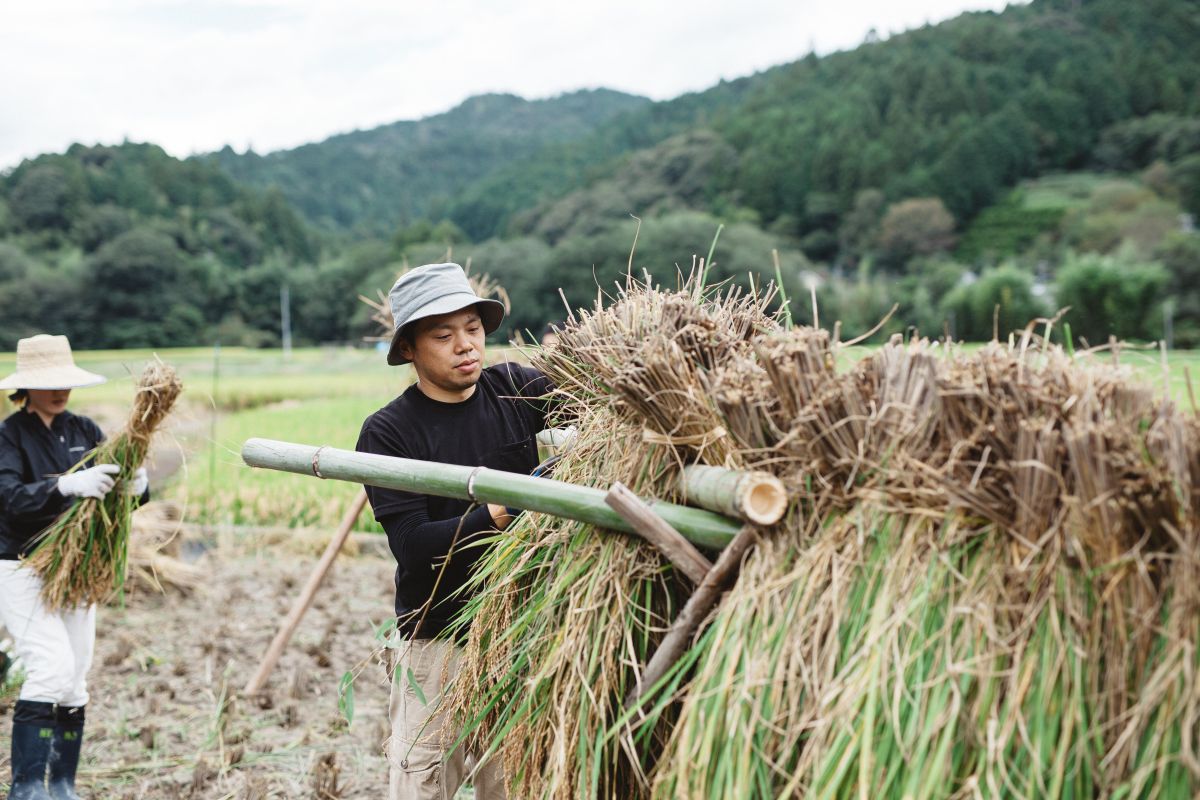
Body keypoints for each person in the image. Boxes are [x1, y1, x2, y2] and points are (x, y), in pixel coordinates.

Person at [356, 263, 552, 800]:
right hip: (437, 637)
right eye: (443, 335)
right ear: (411, 350)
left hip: (521, 630)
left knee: (513, 781)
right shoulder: (388, 431)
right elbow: (413, 547)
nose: (465, 345)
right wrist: (494, 514)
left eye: (472, 329)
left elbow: (599, 409)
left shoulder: (517, 387)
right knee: (423, 781)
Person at [0, 335, 148, 800]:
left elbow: (116, 493)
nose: (60, 391)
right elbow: (9, 499)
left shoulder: (84, 429)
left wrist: (135, 487)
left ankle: (61, 784)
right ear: (26, 388)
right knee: (51, 666)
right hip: (21, 564)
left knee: (76, 673)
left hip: (75, 566)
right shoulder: (8, 436)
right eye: (48, 384)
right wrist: (65, 486)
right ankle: (26, 788)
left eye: (65, 382)